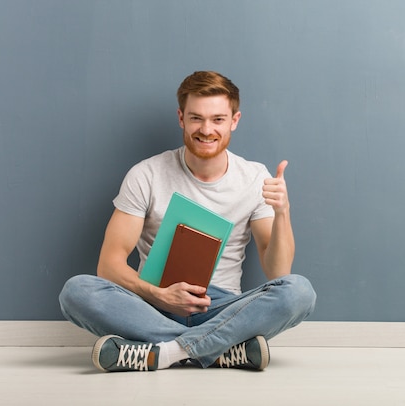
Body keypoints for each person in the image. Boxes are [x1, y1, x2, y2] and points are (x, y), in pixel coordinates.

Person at [58, 71, 316, 372]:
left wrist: (283, 212)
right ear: (181, 118)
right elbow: (109, 265)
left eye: (218, 119)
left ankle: (165, 353)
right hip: (152, 305)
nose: (207, 130)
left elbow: (278, 271)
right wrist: (160, 295)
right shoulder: (147, 175)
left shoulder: (255, 178)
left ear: (234, 120)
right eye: (197, 118)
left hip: (221, 309)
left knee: (299, 291)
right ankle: (220, 351)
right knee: (76, 291)